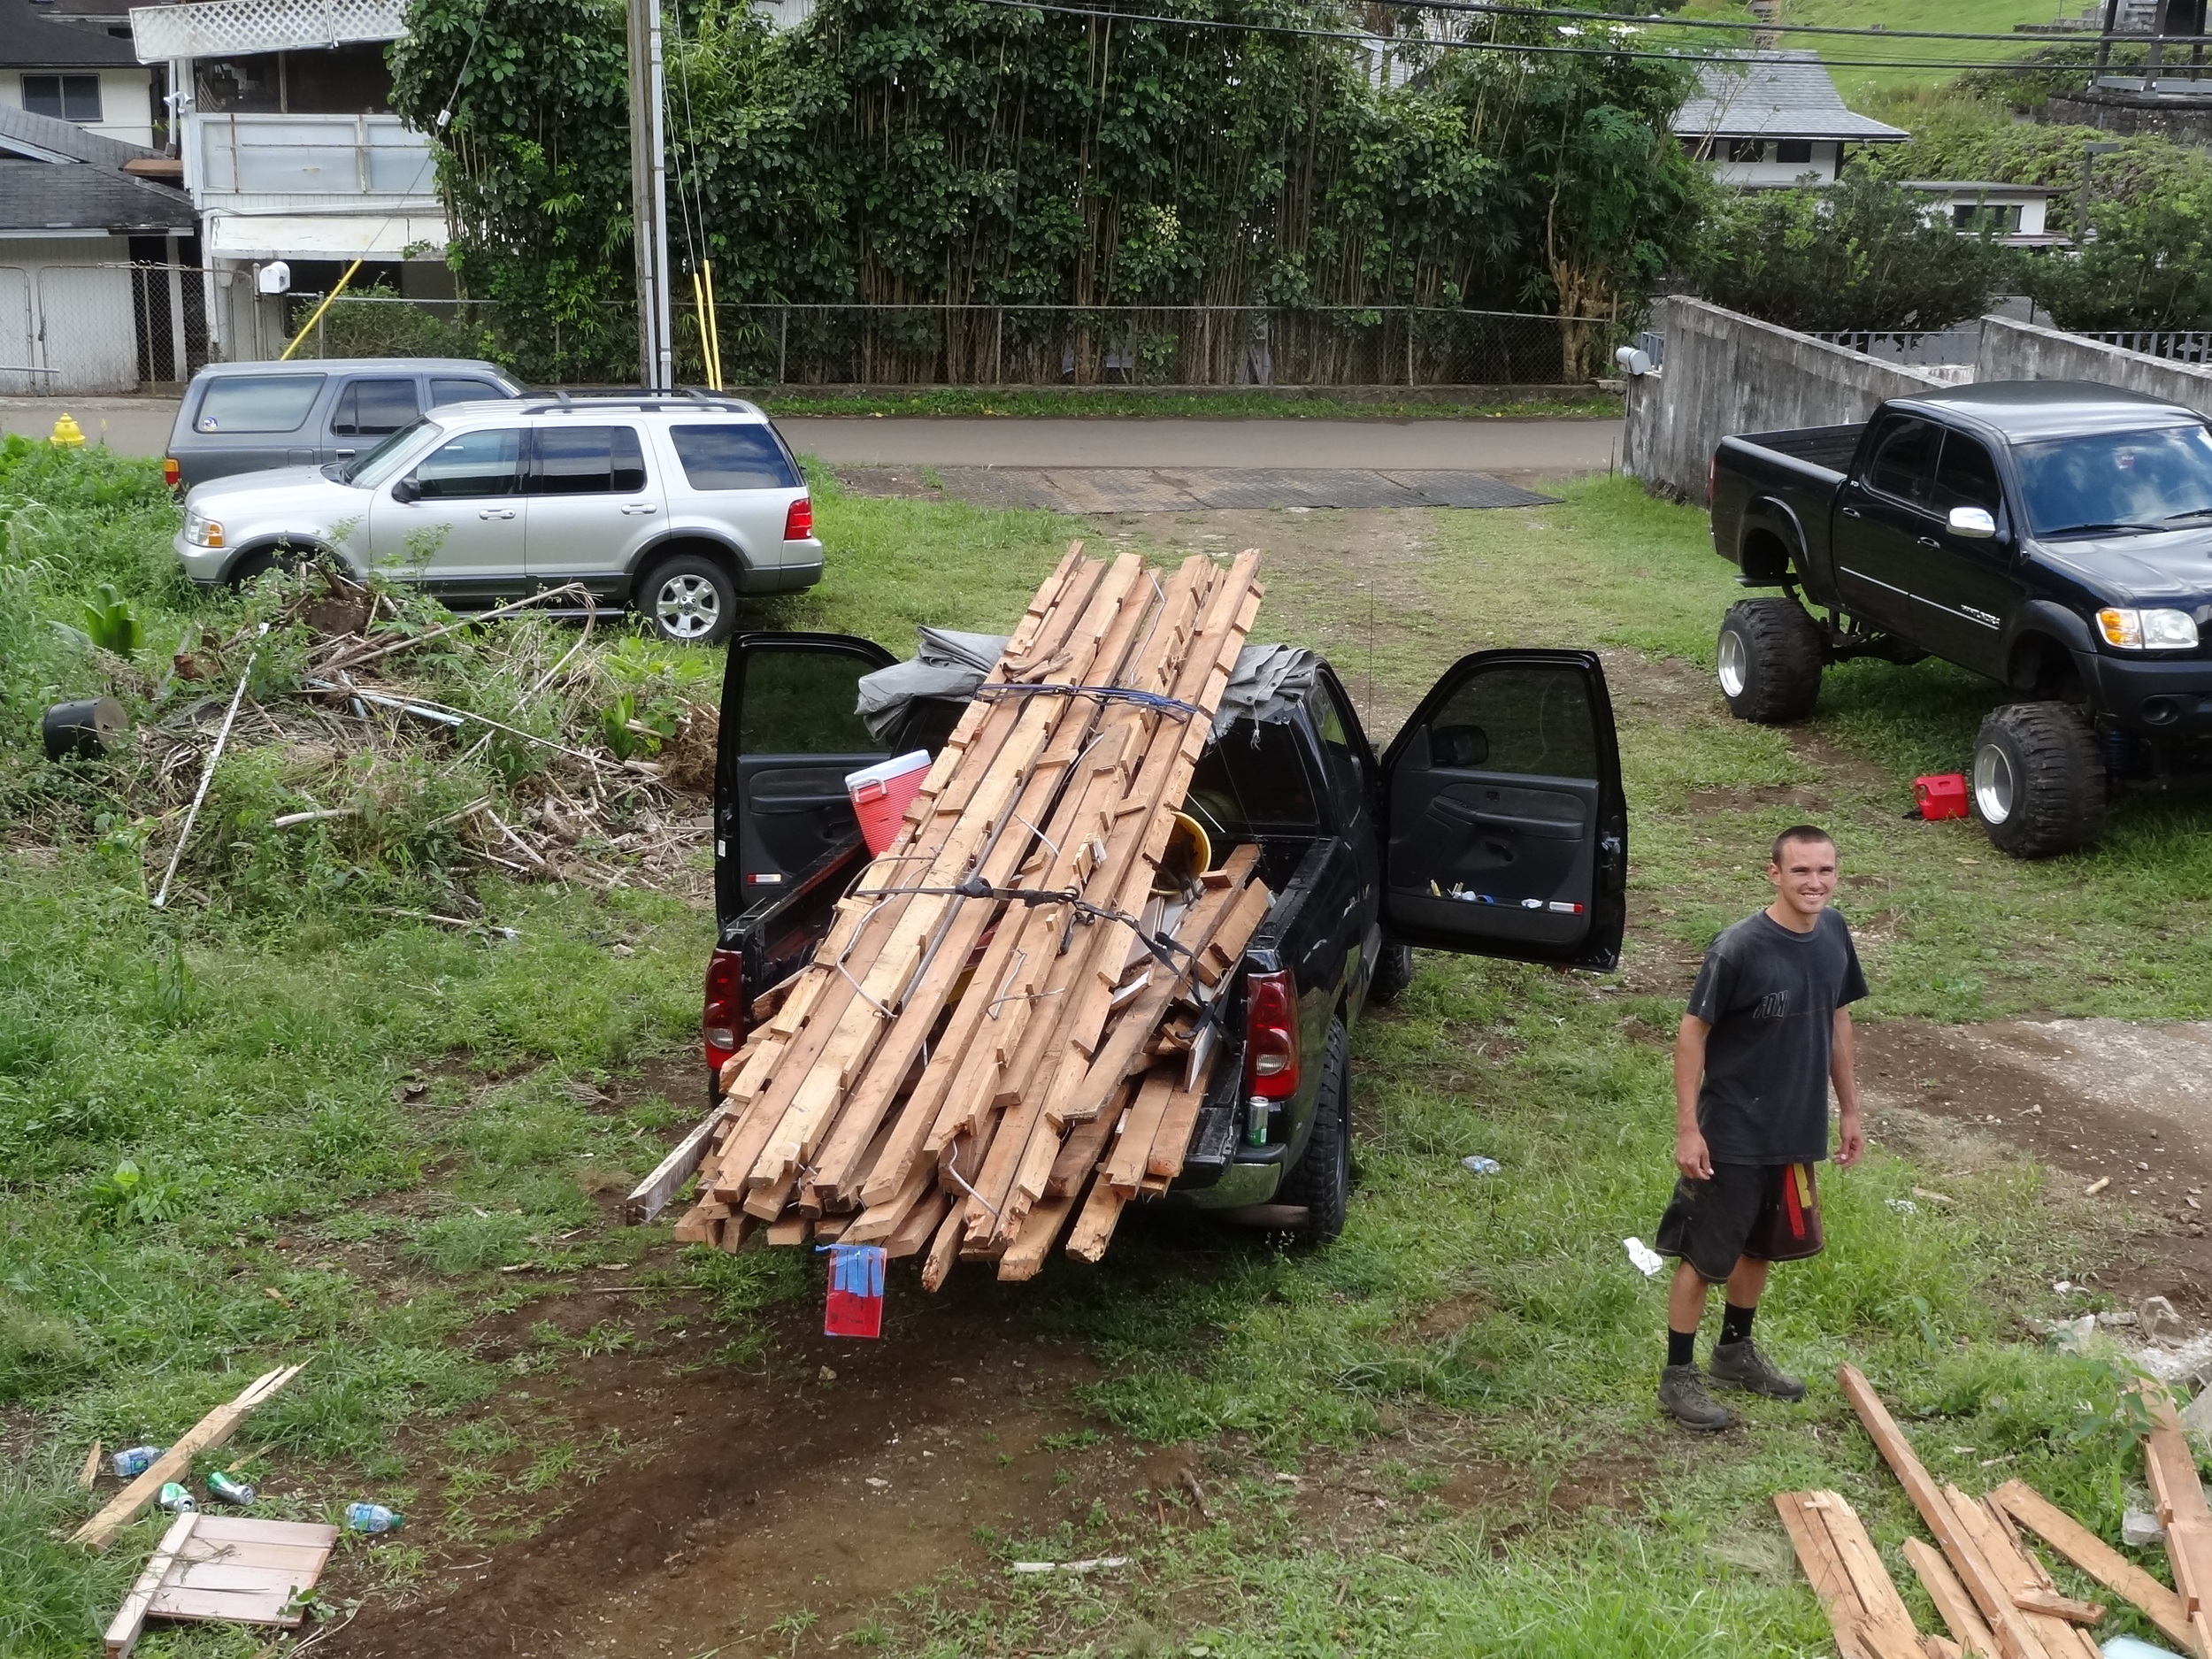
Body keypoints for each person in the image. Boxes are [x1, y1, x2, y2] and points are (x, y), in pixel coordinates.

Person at [1656, 825, 1865, 1432]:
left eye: (1825, 870)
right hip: (1734, 1129)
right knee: (1705, 1254)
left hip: (1794, 1127)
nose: (1814, 882)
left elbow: (1838, 1021)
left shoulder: (1834, 932)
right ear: (1774, 874)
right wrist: (1689, 1128)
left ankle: (1734, 1353)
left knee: (1762, 1244)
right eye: (1801, 870)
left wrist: (1850, 1110)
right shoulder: (1739, 948)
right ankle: (1678, 1376)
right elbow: (1691, 1034)